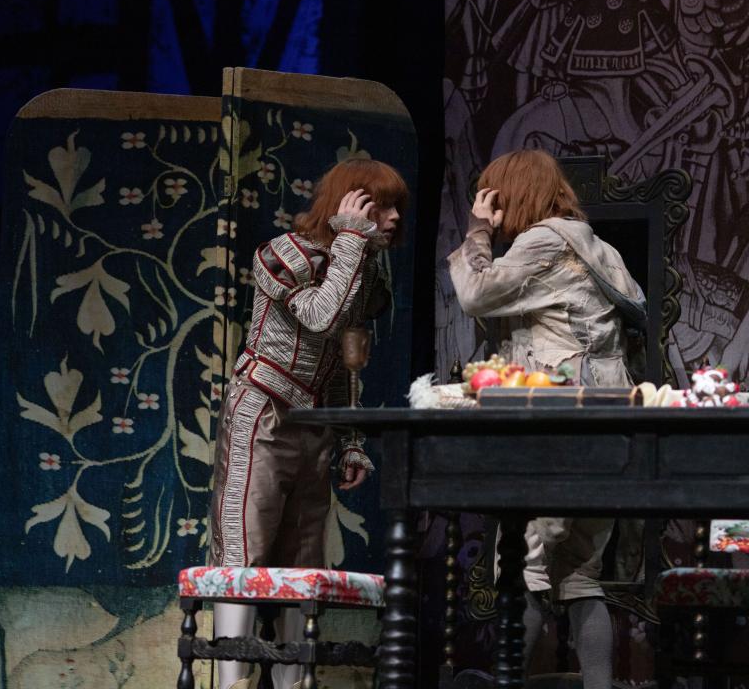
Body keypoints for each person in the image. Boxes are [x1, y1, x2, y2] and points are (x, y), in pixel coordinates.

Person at [448, 148, 645, 689]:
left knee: (524, 561)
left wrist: (478, 232)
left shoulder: (544, 241)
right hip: (609, 419)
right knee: (580, 573)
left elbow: (474, 294)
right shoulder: (599, 247)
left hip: (562, 420)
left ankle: (504, 684)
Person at [209, 158, 408, 689]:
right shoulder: (284, 254)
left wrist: (350, 439)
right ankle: (231, 681)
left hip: (313, 423)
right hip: (264, 413)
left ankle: (292, 683)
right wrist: (350, 240)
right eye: (383, 206)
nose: (393, 219)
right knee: (245, 547)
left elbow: (344, 360)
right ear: (350, 203)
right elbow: (321, 316)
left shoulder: (363, 269)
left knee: (302, 559)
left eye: (397, 208)